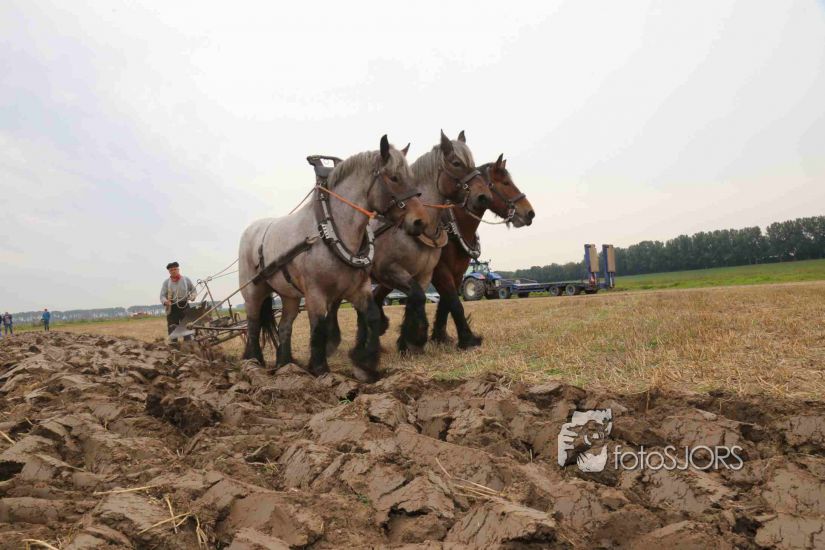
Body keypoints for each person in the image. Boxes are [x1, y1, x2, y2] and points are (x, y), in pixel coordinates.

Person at [160, 262, 197, 341]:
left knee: (187, 326)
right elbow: (162, 296)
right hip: (172, 307)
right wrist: (166, 301)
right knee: (172, 327)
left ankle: (188, 344)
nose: (174, 271)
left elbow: (193, 290)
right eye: (171, 270)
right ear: (169, 271)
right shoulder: (166, 283)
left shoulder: (186, 280)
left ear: (178, 269)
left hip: (184, 305)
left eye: (175, 269)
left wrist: (193, 296)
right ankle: (174, 344)